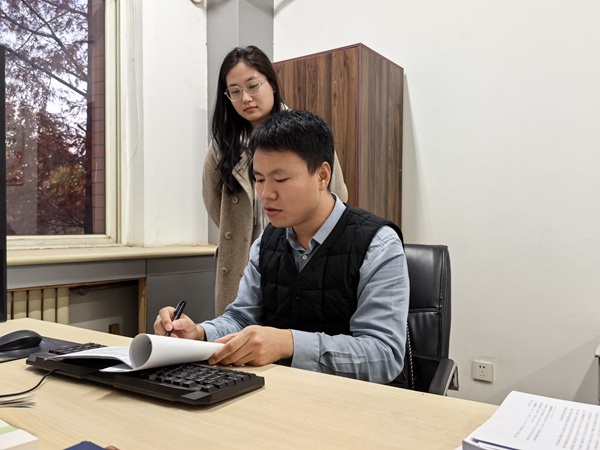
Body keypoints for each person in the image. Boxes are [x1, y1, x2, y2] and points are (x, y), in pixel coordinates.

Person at [157, 110, 408, 384]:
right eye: (259, 179)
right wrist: (199, 334)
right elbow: (241, 318)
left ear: (323, 176)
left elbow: (384, 355)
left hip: (353, 401)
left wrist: (289, 343)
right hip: (278, 391)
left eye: (280, 180)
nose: (266, 194)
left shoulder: (378, 244)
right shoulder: (267, 241)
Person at [203, 46, 349, 315]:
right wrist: (239, 228)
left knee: (291, 329)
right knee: (236, 330)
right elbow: (214, 204)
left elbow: (336, 193)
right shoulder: (222, 147)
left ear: (271, 83)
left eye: (253, 86)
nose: (246, 98)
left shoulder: (303, 133)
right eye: (234, 91)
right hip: (241, 263)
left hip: (298, 255)